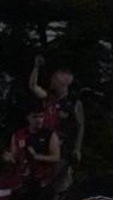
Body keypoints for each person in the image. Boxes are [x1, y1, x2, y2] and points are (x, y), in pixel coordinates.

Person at [27, 55, 84, 188]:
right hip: (43, 147)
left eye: (55, 78)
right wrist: (36, 67)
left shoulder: (74, 103)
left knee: (60, 183)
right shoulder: (48, 98)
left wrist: (77, 148)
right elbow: (32, 86)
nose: (52, 81)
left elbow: (80, 126)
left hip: (63, 150)